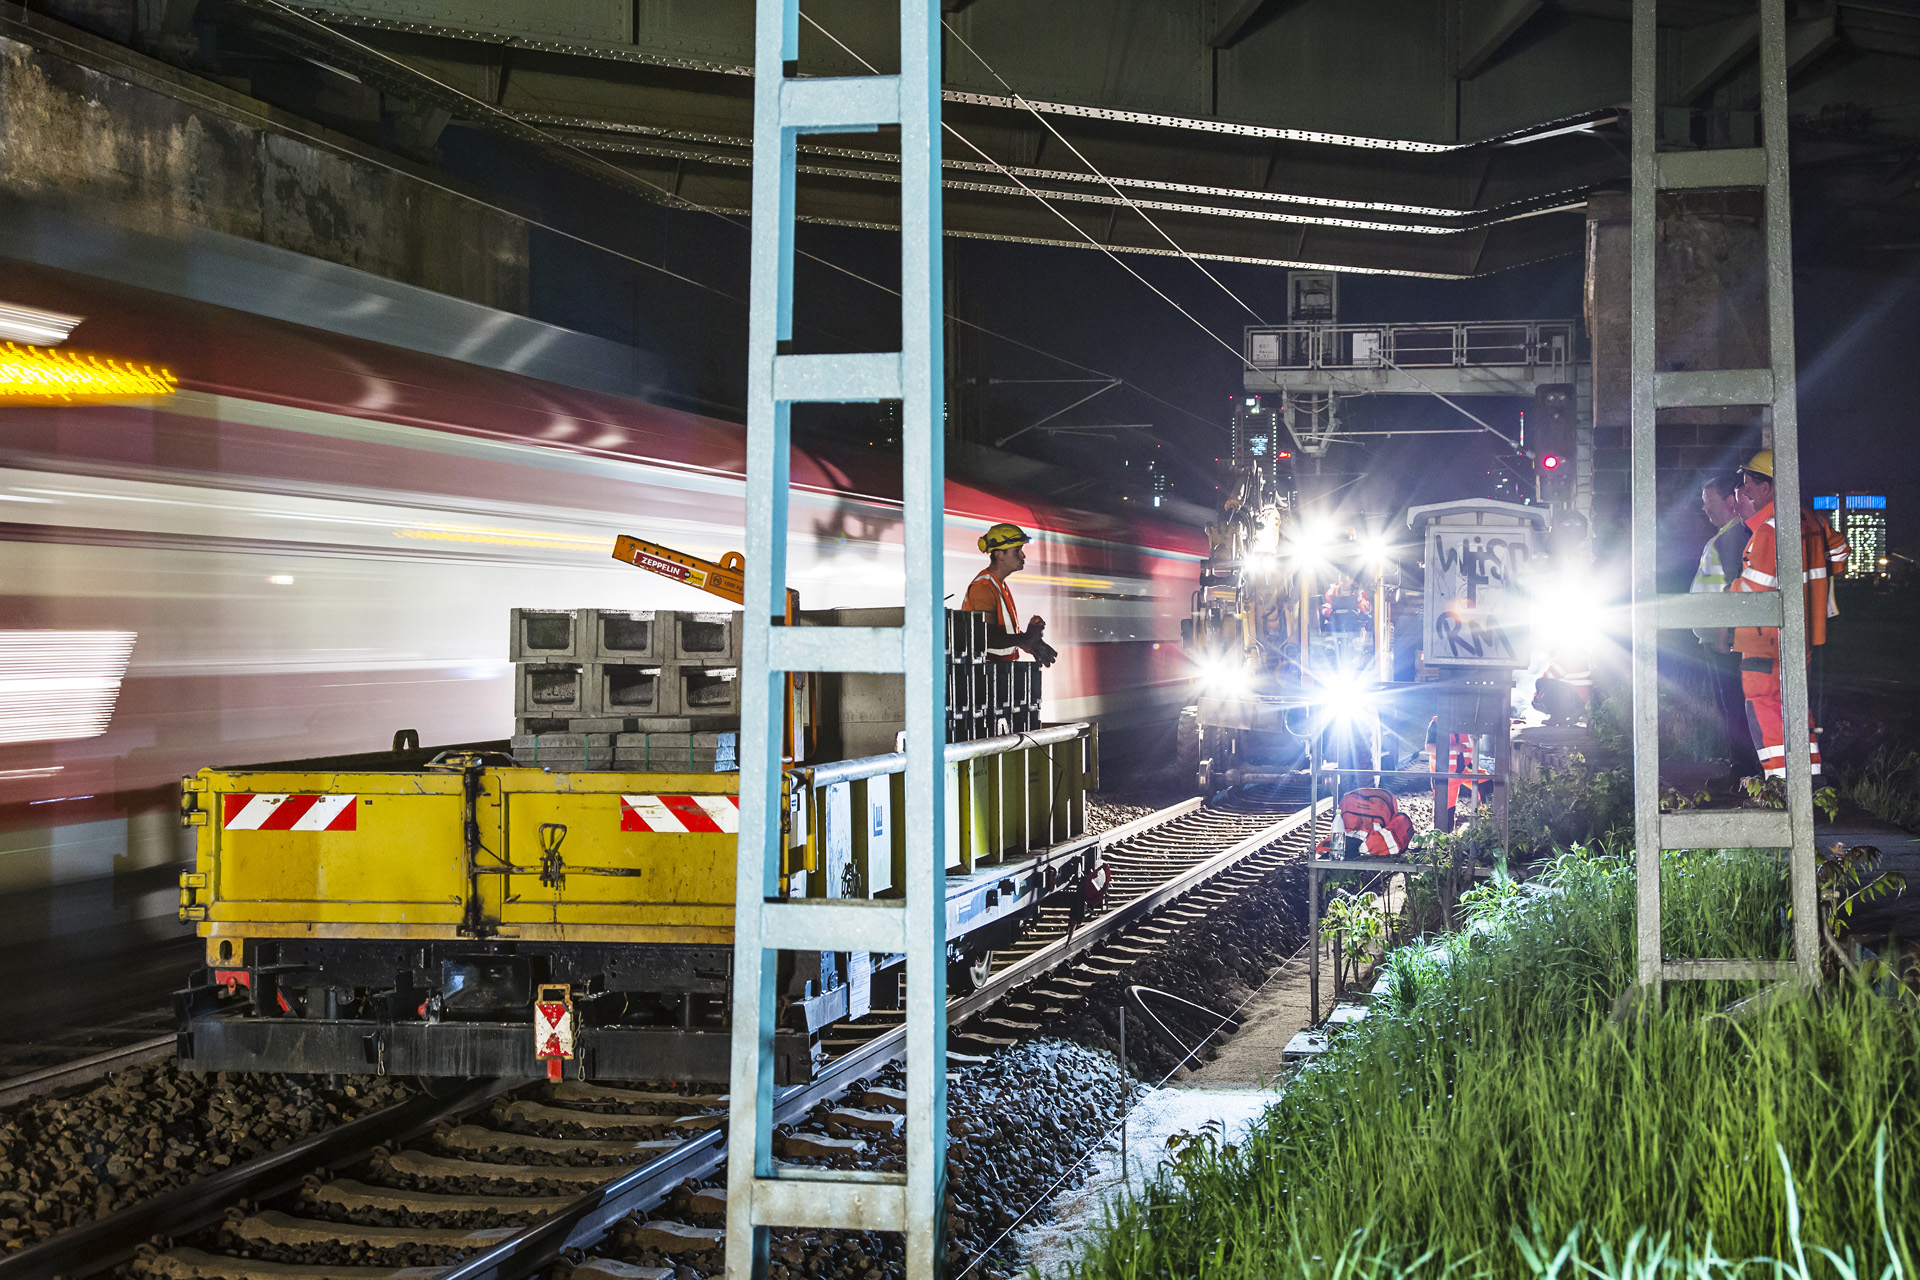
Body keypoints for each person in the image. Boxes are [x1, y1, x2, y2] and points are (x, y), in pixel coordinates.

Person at [1726, 450, 1848, 782]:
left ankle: (1780, 785)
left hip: (1764, 641)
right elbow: (1839, 554)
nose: (1744, 488)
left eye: (1749, 480)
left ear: (1767, 487)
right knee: (1795, 706)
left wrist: (1726, 594)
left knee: (1764, 705)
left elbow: (1753, 591)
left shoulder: (1768, 531)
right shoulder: (1813, 519)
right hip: (1803, 635)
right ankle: (1810, 781)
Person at [1691, 473, 1761, 779]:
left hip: (1725, 640)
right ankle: (1742, 767)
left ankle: (1743, 770)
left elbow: (1733, 587)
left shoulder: (1732, 538)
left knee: (1732, 706)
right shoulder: (1730, 535)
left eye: (1709, 502)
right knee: (1729, 705)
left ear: (1731, 501)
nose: (1705, 509)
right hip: (1718, 636)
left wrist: (1724, 633)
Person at [963, 523, 1057, 666]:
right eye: (1017, 550)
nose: (1023, 555)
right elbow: (986, 637)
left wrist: (1030, 643)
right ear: (999, 554)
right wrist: (1025, 638)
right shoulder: (983, 587)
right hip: (986, 674)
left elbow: (1001, 637)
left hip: (997, 671)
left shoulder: (999, 585)